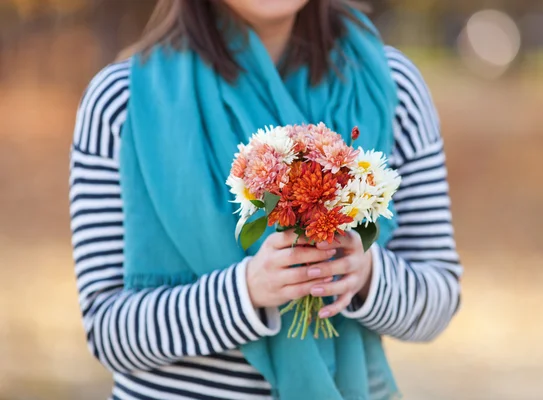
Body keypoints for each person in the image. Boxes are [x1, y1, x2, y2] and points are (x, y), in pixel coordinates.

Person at [69, 0, 463, 399]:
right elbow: (107, 333)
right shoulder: (121, 102)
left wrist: (365, 275)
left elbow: (440, 299)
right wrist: (245, 293)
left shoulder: (390, 86)